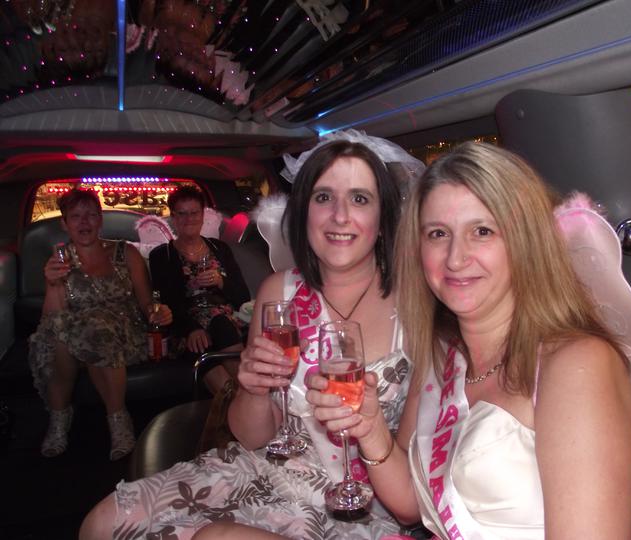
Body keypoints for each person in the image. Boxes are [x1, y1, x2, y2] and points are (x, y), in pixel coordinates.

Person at [307, 142, 631, 539]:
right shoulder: (440, 360)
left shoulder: (577, 364)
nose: (455, 258)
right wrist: (372, 429)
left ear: (525, 242)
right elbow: (411, 505)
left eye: (482, 231)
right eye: (438, 234)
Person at [80, 134, 424, 540]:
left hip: (360, 499)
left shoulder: (417, 307)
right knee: (100, 524)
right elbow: (252, 436)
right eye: (323, 197)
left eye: (360, 199)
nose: (340, 216)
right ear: (304, 212)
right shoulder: (278, 292)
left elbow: (414, 481)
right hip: (267, 467)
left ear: (384, 218)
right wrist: (254, 388)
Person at [28, 189, 172, 460]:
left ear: (100, 220)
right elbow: (52, 319)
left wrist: (158, 312)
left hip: (124, 334)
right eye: (76, 216)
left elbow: (146, 303)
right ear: (64, 224)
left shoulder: (125, 253)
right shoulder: (59, 262)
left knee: (95, 329)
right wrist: (53, 284)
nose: (84, 222)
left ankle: (112, 419)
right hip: (76, 339)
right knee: (61, 336)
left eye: (91, 215)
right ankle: (63, 420)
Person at [149, 185, 251, 394]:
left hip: (226, 320)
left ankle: (246, 394)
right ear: (173, 217)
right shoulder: (161, 255)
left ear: (203, 215)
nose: (189, 219)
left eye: (194, 213)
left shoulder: (219, 248)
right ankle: (233, 401)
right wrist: (191, 329)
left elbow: (243, 296)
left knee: (221, 324)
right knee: (198, 344)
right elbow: (167, 301)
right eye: (182, 214)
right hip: (185, 324)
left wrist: (221, 281)